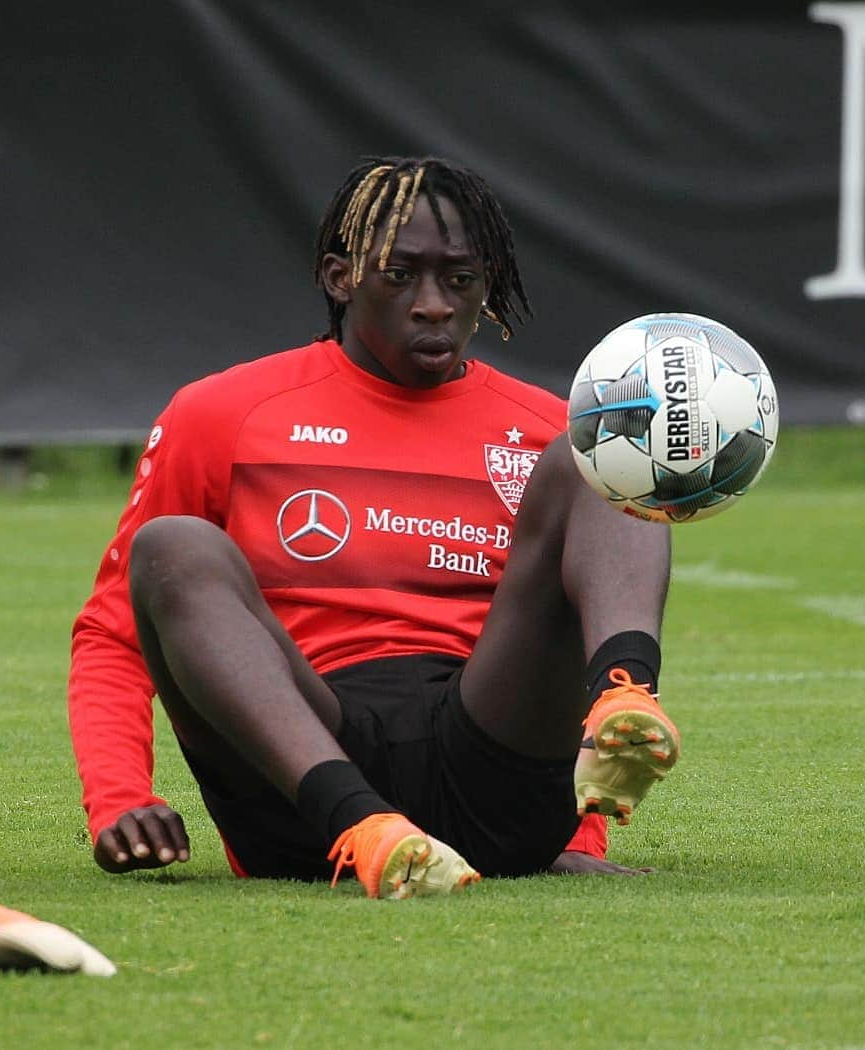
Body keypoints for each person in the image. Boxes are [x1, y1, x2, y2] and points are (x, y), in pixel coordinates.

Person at [68, 156, 680, 898]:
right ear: (339, 276)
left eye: (460, 279)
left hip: (488, 767)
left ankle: (624, 692)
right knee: (171, 548)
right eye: (401, 275)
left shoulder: (540, 428)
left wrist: (576, 829)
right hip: (302, 792)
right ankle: (365, 829)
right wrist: (120, 794)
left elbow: (558, 631)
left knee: (599, 448)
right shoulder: (222, 414)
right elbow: (111, 633)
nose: (433, 305)